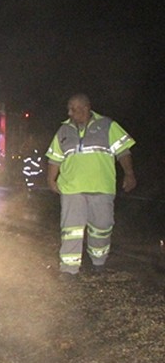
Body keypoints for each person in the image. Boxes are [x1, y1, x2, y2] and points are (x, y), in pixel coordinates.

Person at [46, 94, 137, 278]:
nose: (70, 112)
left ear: (86, 108)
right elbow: (54, 159)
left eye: (74, 108)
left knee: (102, 225)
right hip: (72, 188)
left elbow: (123, 152)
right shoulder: (64, 130)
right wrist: (51, 180)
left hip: (102, 186)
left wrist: (129, 174)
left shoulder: (107, 125)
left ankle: (98, 261)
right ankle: (69, 269)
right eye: (69, 108)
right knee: (71, 229)